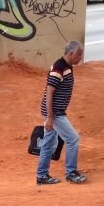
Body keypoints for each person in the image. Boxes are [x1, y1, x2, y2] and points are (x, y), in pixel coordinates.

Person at [36, 41, 87, 185]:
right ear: (70, 54)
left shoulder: (67, 67)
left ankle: (42, 176)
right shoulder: (59, 68)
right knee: (73, 139)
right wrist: (50, 118)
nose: (80, 58)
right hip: (55, 114)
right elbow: (49, 92)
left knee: (48, 144)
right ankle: (71, 172)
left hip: (56, 112)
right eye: (78, 55)